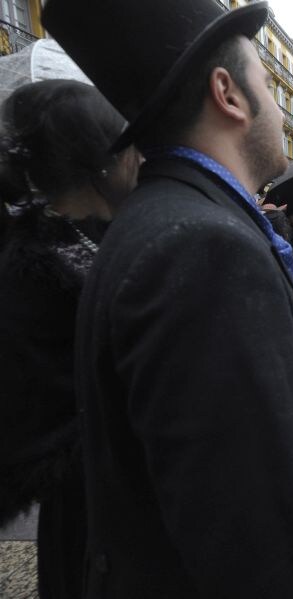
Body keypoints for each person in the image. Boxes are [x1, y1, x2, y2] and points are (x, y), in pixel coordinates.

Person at [42, 1, 293, 597]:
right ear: (229, 94)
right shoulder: (204, 247)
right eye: (268, 84)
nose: (278, 108)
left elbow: (197, 443)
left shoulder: (164, 220)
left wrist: (291, 402)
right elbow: (262, 542)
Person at [0, 79, 140, 599]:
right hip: (96, 509)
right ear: (101, 158)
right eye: (127, 143)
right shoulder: (32, 268)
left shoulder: (98, 235)